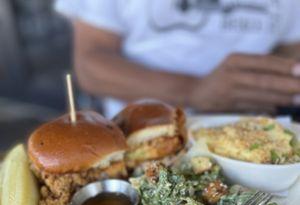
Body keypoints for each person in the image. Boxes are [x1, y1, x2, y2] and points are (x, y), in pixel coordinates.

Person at [56, 0, 300, 117]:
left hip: (256, 134)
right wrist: (195, 91)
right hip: (143, 137)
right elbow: (89, 64)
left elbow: (291, 49)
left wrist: (264, 84)